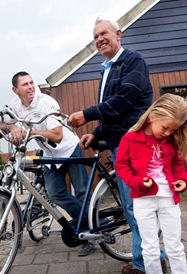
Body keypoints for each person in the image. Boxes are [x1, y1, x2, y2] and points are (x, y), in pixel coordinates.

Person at [67, 17, 166, 274]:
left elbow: (125, 100)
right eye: (95, 36)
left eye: (103, 33)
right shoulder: (107, 68)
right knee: (133, 204)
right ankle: (156, 255)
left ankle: (144, 265)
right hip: (119, 142)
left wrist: (86, 115)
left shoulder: (133, 61)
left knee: (136, 206)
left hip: (134, 144)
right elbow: (112, 112)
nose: (99, 39)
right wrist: (96, 132)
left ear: (118, 34)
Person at [0, 71, 93, 256]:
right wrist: (14, 126)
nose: (31, 86)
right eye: (25, 84)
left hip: (69, 149)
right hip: (50, 154)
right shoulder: (15, 105)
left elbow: (57, 135)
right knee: (55, 194)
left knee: (81, 191)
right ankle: (89, 220)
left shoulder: (47, 102)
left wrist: (28, 134)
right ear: (15, 89)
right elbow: (0, 124)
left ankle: (88, 234)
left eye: (32, 82)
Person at [115, 93, 187, 274]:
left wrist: (182, 179)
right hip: (143, 200)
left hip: (169, 199)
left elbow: (177, 164)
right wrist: (137, 181)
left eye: (172, 130)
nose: (168, 133)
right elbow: (121, 166)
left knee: (175, 246)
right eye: (166, 128)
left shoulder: (170, 141)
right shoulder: (129, 139)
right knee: (150, 248)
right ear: (153, 115)